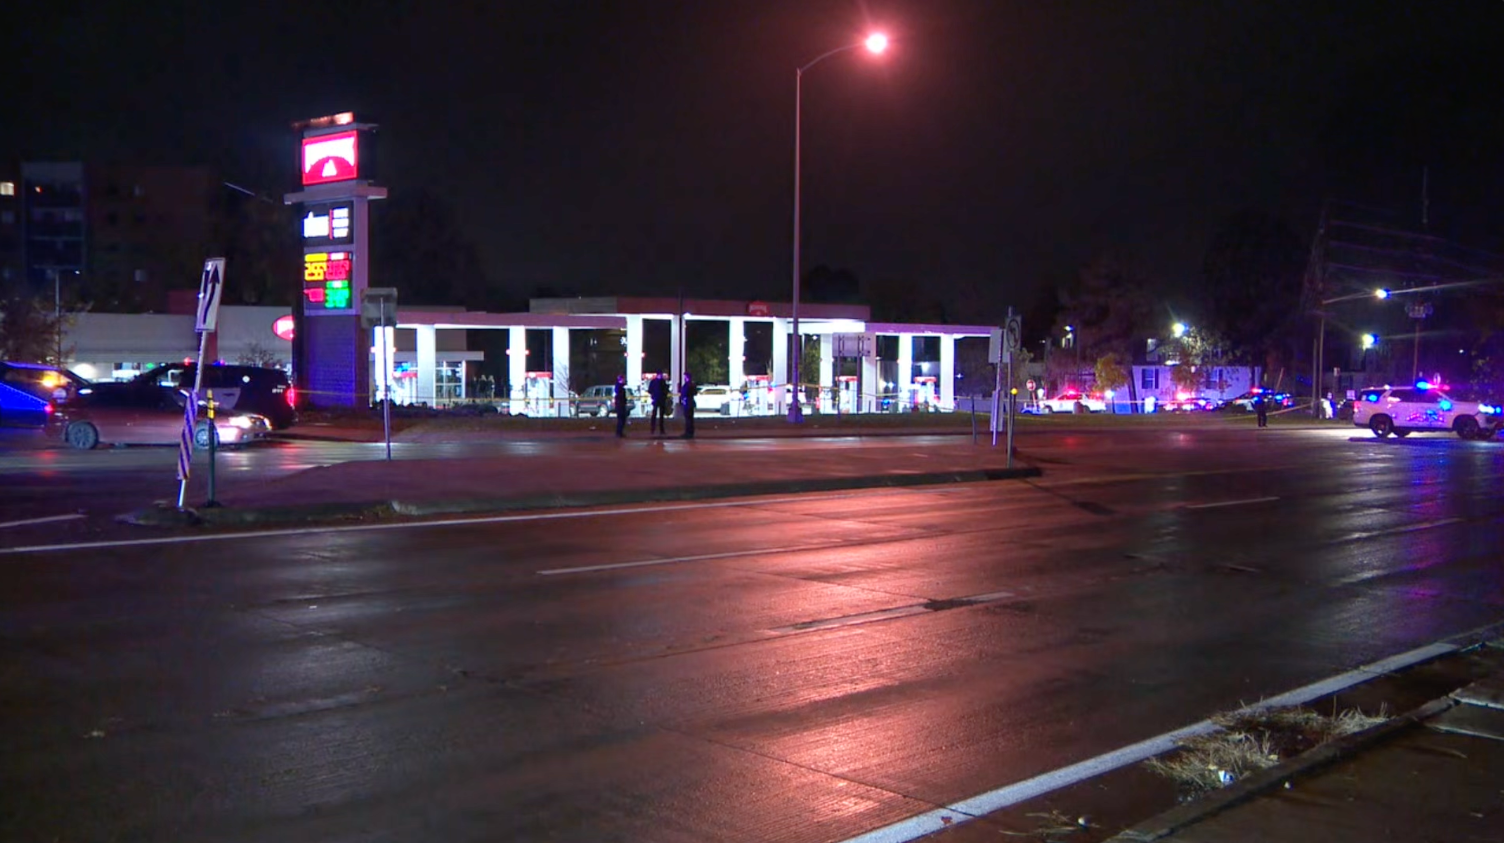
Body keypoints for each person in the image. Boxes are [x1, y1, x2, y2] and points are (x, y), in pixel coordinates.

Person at [679, 371, 698, 439]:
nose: (684, 378)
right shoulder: (691, 384)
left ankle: (688, 433)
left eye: (685, 377)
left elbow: (685, 393)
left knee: (688, 419)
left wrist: (684, 397)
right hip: (689, 403)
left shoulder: (688, 385)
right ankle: (689, 432)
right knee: (689, 418)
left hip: (688, 403)